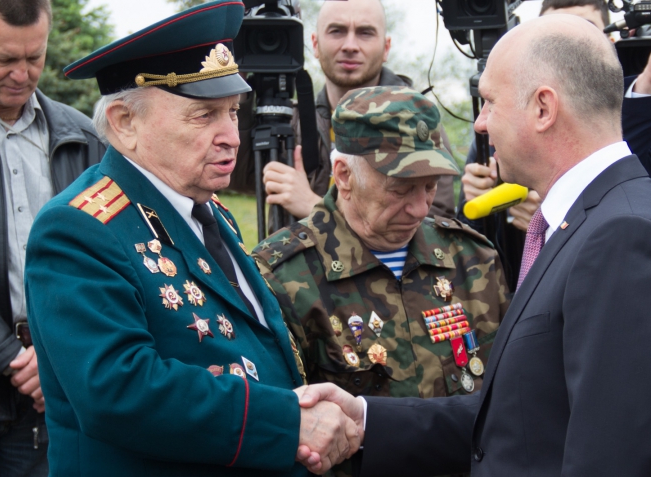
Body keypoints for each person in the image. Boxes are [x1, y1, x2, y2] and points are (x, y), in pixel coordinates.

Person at [297, 13, 651, 476]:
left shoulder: (618, 234)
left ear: (543, 108)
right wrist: (364, 418)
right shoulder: (587, 220)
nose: (480, 124)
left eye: (488, 102)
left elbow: (610, 455)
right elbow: (517, 418)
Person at [25, 2, 359, 475]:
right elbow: (118, 390)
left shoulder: (210, 211)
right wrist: (288, 422)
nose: (232, 137)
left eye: (232, 112)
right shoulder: (78, 228)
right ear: (125, 122)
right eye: (203, 117)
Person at [254, 86, 509, 476]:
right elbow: (279, 430)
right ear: (344, 176)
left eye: (430, 186)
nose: (420, 207)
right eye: (401, 188)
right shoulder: (281, 275)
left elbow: (510, 399)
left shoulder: (472, 257)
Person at [0, 0, 105, 474]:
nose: (22, 74)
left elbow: (102, 258)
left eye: (35, 57)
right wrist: (10, 357)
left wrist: (61, 356)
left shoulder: (83, 137)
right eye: (4, 59)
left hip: (54, 393)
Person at [458, 0, 651, 291]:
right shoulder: (499, 144)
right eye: (549, 39)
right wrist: (490, 212)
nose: (481, 124)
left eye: (581, 33)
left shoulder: (621, 229)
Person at [231, 0, 456, 222]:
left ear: (386, 48)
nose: (350, 45)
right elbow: (237, 177)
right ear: (315, 44)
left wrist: (314, 208)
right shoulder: (291, 122)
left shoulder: (417, 124)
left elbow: (437, 224)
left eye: (365, 32)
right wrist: (236, 83)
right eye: (336, 31)